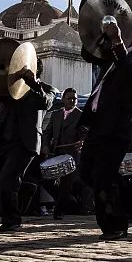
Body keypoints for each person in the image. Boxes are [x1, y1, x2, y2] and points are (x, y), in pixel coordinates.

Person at [79, 14, 132, 239]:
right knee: (86, 171)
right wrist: (101, 35)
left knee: (103, 174)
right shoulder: (112, 51)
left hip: (121, 122)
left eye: (128, 27)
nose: (123, 31)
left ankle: (115, 226)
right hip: (99, 120)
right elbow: (87, 54)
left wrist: (117, 42)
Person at [0, 65, 54, 232]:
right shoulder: (8, 87)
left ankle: (12, 220)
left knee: (6, 180)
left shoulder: (45, 89)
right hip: (3, 142)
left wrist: (33, 83)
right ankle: (26, 188)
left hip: (24, 143)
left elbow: (46, 102)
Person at [44, 87, 85, 220]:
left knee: (66, 184)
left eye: (75, 98)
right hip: (55, 153)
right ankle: (70, 203)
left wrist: (81, 141)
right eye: (69, 98)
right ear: (63, 99)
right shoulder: (56, 114)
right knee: (46, 181)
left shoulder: (80, 115)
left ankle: (59, 211)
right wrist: (45, 145)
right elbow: (48, 132)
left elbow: (84, 133)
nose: (72, 101)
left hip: (71, 155)